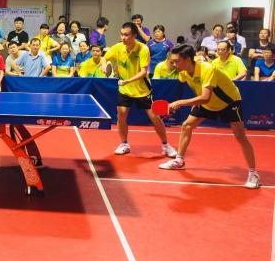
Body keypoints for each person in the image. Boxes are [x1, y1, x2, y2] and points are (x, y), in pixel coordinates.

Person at [158, 45, 260, 189]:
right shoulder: (184, 72)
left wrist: (180, 102)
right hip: (208, 103)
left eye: (176, 61)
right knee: (187, 125)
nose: (174, 64)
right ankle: (179, 160)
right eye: (172, 61)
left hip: (228, 102)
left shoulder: (208, 69)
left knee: (240, 136)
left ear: (187, 59)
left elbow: (205, 98)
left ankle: (253, 174)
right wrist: (195, 101)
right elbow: (198, 87)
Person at [104, 22, 177, 157]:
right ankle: (124, 144)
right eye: (121, 34)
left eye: (126, 35)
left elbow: (143, 72)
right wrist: (105, 65)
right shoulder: (118, 47)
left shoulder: (143, 49)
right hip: (125, 90)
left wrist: (127, 81)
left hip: (142, 90)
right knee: (121, 114)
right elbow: (105, 57)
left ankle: (166, 145)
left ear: (134, 36)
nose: (123, 37)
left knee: (155, 117)